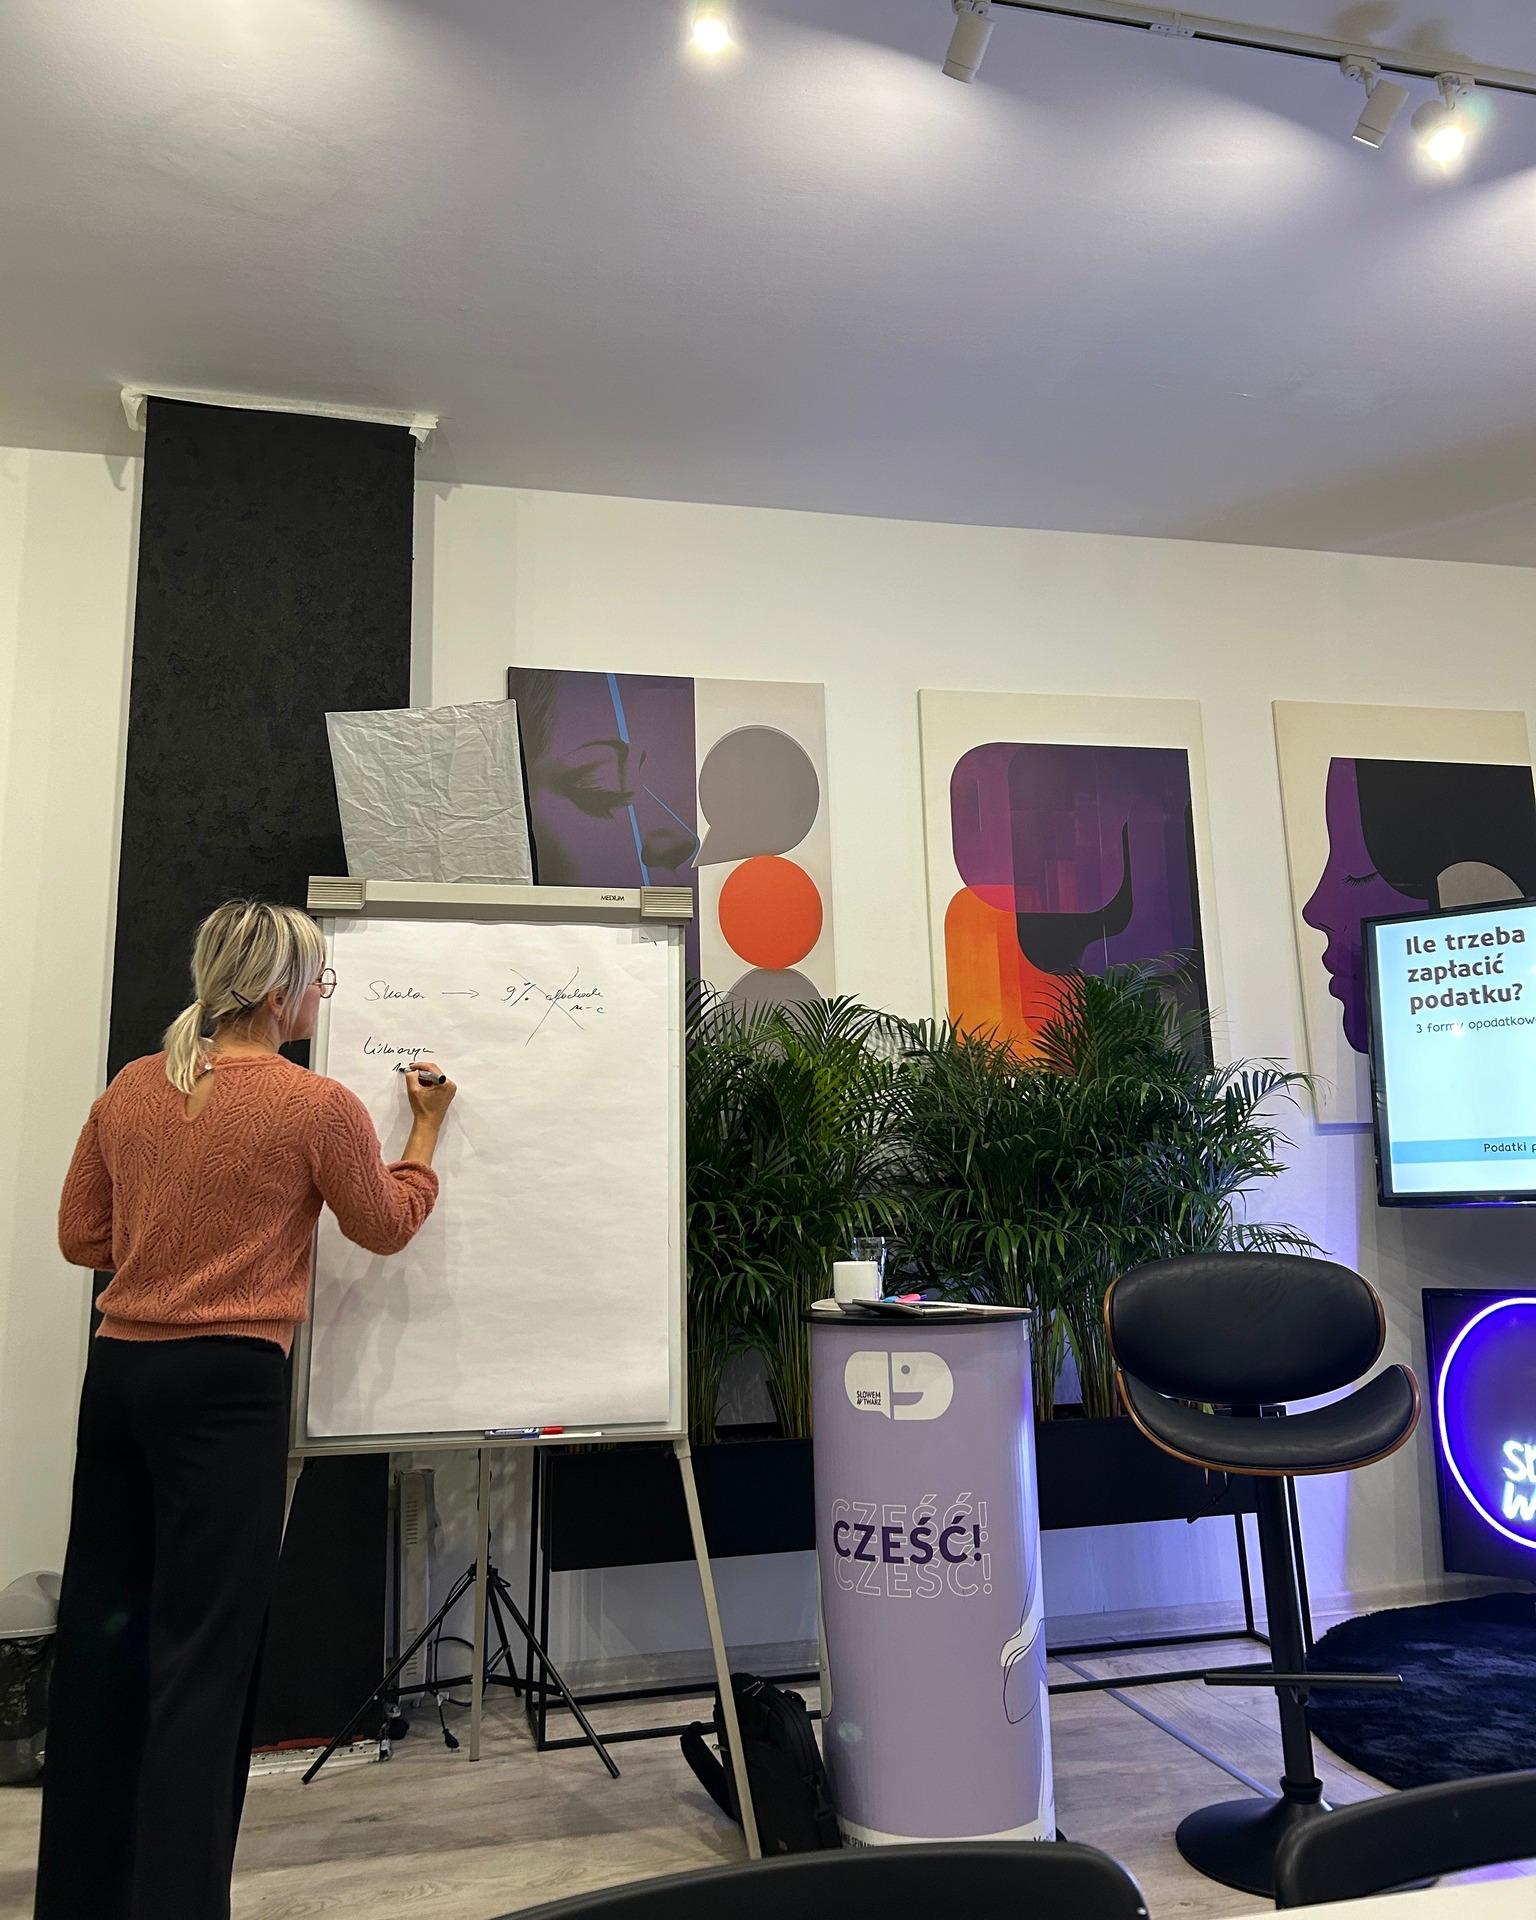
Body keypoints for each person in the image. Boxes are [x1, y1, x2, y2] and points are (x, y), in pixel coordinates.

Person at [35, 900, 456, 1920]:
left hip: (122, 1379)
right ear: (280, 994)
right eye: (319, 980)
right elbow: (386, 1223)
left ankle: (83, 1902)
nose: (323, 997)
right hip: (226, 1392)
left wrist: (164, 1251)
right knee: (202, 1664)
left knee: (104, 1641)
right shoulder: (315, 1107)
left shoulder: (134, 1088)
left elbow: (80, 1236)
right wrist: (428, 1127)